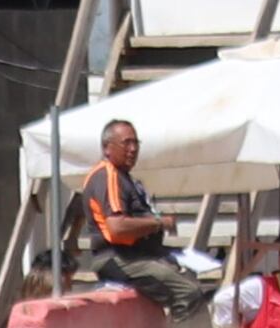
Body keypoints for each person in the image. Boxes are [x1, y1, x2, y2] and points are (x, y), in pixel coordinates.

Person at [71, 116, 210, 313]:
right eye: (126, 143)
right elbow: (117, 228)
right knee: (187, 293)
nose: (133, 149)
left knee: (189, 280)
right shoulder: (107, 175)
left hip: (138, 255)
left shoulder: (124, 177)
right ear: (107, 148)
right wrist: (158, 223)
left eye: (136, 143)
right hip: (119, 258)